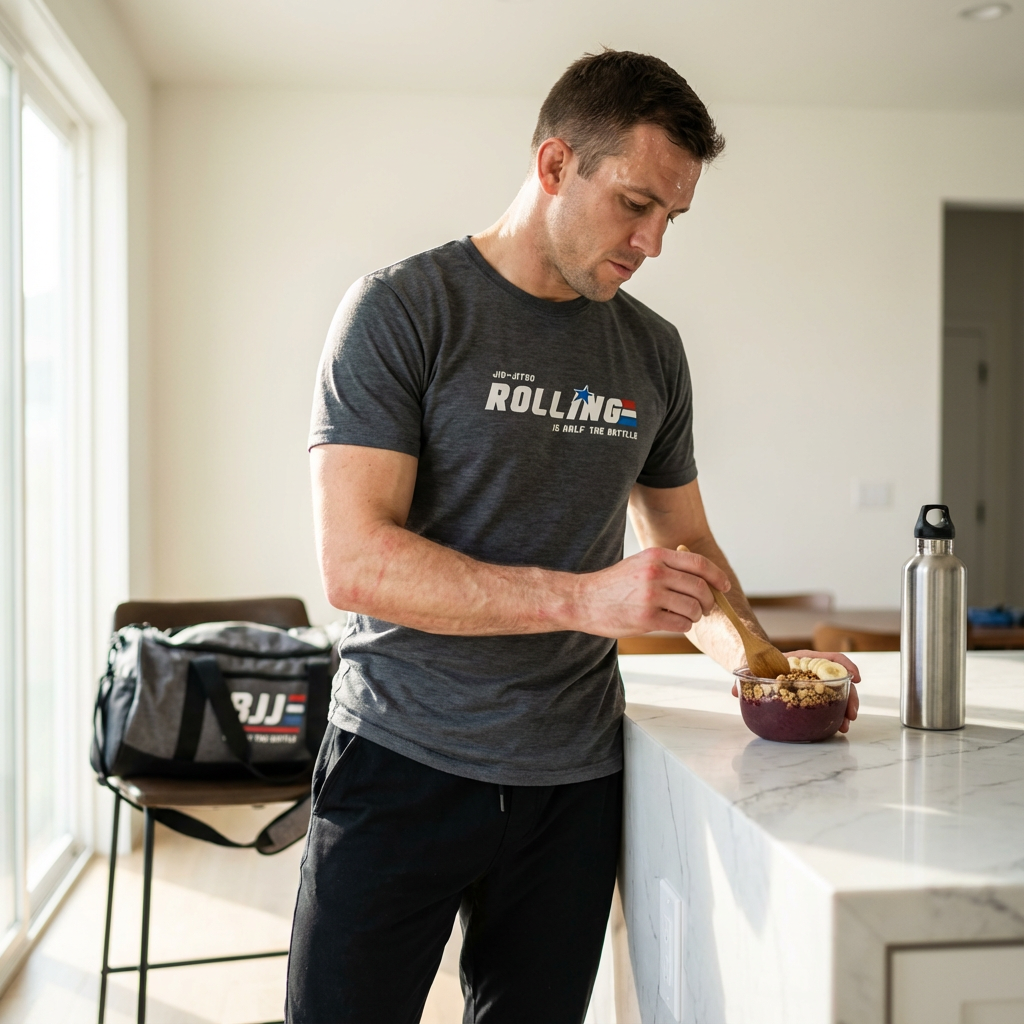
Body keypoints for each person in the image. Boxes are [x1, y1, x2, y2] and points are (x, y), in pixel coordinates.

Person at [286, 49, 859, 1024]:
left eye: (670, 217)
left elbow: (688, 549)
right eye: (635, 203)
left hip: (573, 782)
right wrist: (586, 598)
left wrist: (768, 669)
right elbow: (355, 563)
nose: (652, 242)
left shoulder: (651, 350)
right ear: (555, 166)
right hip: (399, 757)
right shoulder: (401, 309)